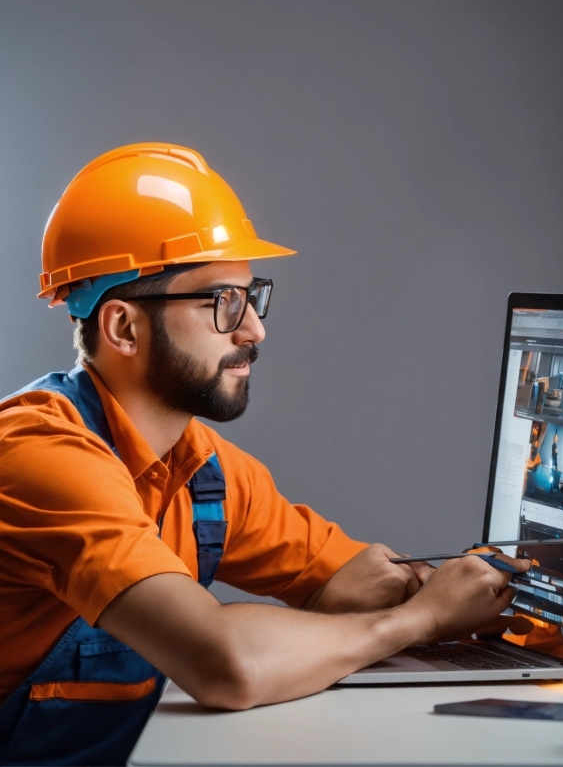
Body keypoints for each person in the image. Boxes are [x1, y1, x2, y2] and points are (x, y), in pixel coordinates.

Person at [0, 143, 529, 766]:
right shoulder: (36, 458)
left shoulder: (202, 472)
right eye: (224, 302)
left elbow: (349, 581)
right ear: (123, 327)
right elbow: (226, 665)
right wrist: (420, 622)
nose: (254, 329)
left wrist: (459, 590)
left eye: (254, 297)